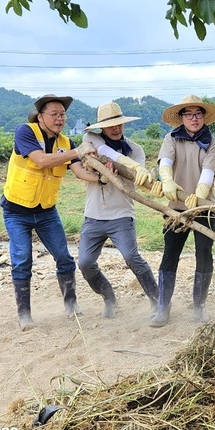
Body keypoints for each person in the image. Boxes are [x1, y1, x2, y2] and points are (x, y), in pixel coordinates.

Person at [2, 94, 96, 331]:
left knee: (64, 258)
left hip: (46, 212)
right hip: (17, 211)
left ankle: (71, 304)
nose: (59, 119)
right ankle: (24, 314)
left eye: (62, 115)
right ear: (41, 117)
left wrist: (104, 178)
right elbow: (42, 160)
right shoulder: (25, 132)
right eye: (54, 114)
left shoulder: (66, 143)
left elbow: (80, 173)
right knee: (22, 260)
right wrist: (77, 152)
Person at [77, 102, 160, 319]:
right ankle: (108, 296)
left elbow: (137, 178)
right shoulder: (91, 140)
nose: (116, 129)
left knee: (132, 257)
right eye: (110, 125)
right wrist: (108, 167)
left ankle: (157, 300)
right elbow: (97, 155)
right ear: (101, 127)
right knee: (85, 263)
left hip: (122, 214)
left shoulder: (136, 150)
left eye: (119, 124)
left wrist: (135, 172)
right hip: (93, 215)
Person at [147, 95, 215, 327]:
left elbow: (208, 175)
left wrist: (199, 195)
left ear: (204, 117)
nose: (194, 118)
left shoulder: (213, 143)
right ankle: (163, 307)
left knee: (204, 254)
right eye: (188, 114)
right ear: (180, 117)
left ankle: (199, 307)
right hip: (176, 208)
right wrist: (167, 180)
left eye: (198, 114)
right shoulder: (171, 138)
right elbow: (165, 164)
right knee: (170, 254)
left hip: (205, 208)